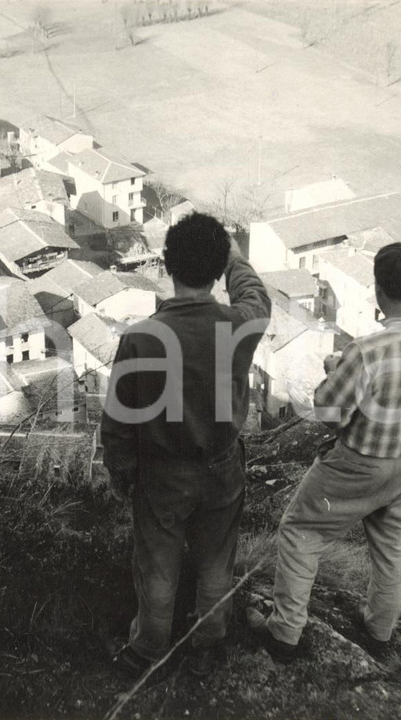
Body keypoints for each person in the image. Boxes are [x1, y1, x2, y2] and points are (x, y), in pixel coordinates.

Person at [248, 242, 401, 662]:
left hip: (356, 466)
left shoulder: (365, 352)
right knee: (393, 547)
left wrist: (335, 370)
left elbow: (329, 412)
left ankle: (285, 632)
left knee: (300, 531)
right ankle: (380, 631)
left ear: (378, 291)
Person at [101, 213, 271, 678]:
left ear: (165, 264)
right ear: (218, 271)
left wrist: (121, 473)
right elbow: (257, 296)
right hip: (221, 468)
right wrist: (233, 257)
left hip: (162, 474)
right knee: (217, 559)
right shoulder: (239, 325)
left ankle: (149, 646)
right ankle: (211, 636)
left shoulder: (141, 337)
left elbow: (118, 420)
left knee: (158, 566)